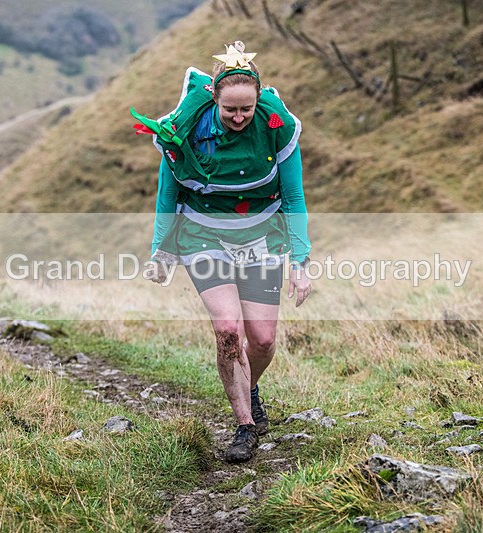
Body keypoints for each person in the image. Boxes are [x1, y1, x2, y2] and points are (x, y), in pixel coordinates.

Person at [131, 41, 312, 463]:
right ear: (214, 97)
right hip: (203, 238)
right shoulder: (186, 129)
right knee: (229, 331)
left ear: (258, 100)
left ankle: (250, 386)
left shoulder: (276, 125)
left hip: (261, 237)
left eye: (246, 109)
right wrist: (161, 250)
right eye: (229, 109)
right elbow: (168, 191)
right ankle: (245, 425)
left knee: (263, 340)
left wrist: (300, 262)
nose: (237, 117)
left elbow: (294, 195)